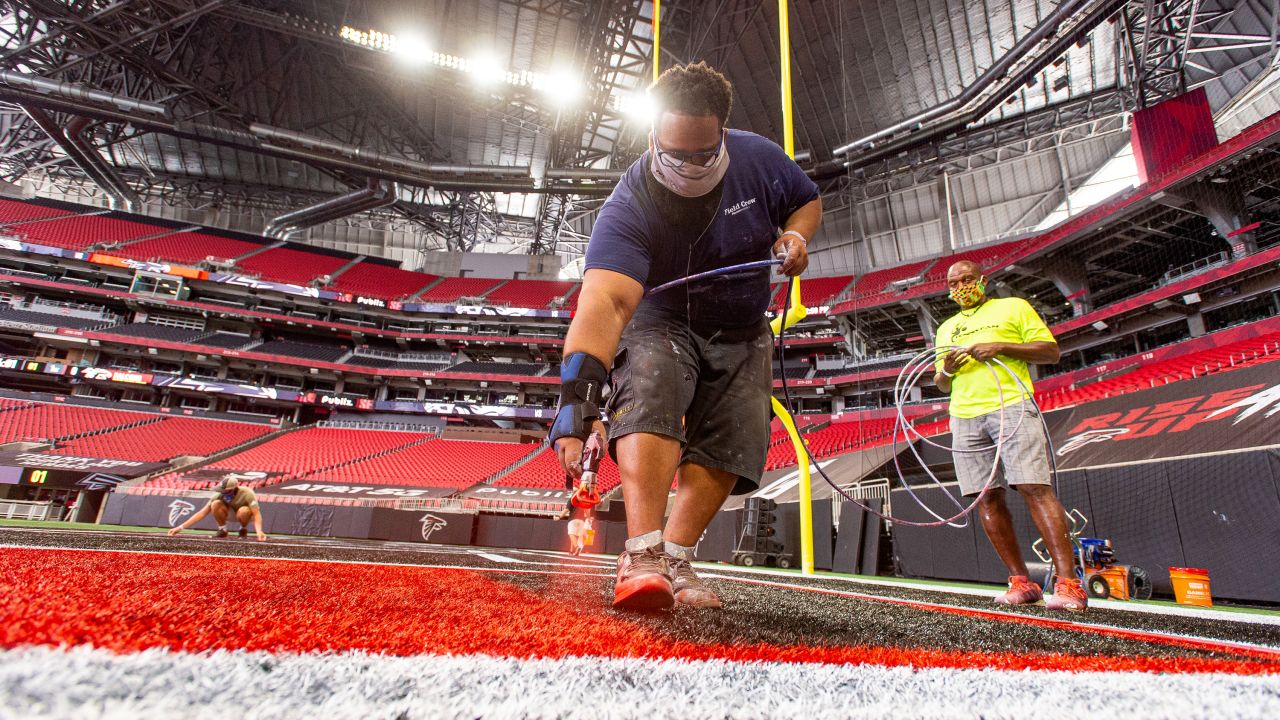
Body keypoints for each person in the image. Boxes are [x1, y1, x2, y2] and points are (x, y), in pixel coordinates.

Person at [551, 62, 821, 610]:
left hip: (742, 322)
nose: (691, 165)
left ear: (721, 133)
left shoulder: (759, 157)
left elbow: (805, 197)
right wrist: (576, 404)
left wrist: (795, 233)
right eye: (676, 153)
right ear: (654, 138)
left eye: (703, 153)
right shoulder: (629, 205)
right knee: (651, 382)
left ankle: (676, 557)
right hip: (662, 314)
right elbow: (607, 301)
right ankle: (643, 553)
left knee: (735, 435)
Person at [933, 260, 1086, 611]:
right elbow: (941, 383)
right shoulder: (946, 329)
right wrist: (948, 370)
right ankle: (1021, 581)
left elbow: (1051, 351)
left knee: (1034, 487)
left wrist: (1000, 346)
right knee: (984, 497)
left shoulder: (1013, 308)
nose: (961, 287)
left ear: (982, 280)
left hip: (1012, 405)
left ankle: (1068, 584)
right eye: (953, 283)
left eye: (967, 279)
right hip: (964, 415)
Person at [167, 477, 267, 541]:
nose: (222, 492)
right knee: (215, 504)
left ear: (234, 489)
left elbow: (257, 513)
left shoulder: (247, 493)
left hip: (245, 515)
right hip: (229, 513)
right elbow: (202, 513)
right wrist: (180, 528)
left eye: (226, 490)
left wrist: (259, 531)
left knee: (243, 510)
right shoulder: (219, 495)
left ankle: (243, 529)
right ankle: (222, 530)